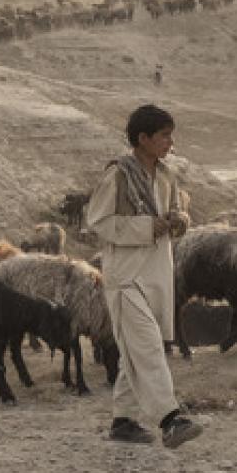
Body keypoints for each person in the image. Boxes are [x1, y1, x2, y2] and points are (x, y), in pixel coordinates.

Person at [85, 104, 202, 448]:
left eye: (170, 134)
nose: (170, 141)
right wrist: (148, 226)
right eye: (164, 135)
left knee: (136, 350)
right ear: (143, 138)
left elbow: (178, 210)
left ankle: (123, 421)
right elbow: (100, 222)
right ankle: (170, 419)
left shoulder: (165, 175)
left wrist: (178, 220)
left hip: (157, 273)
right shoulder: (118, 175)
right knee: (148, 346)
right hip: (126, 277)